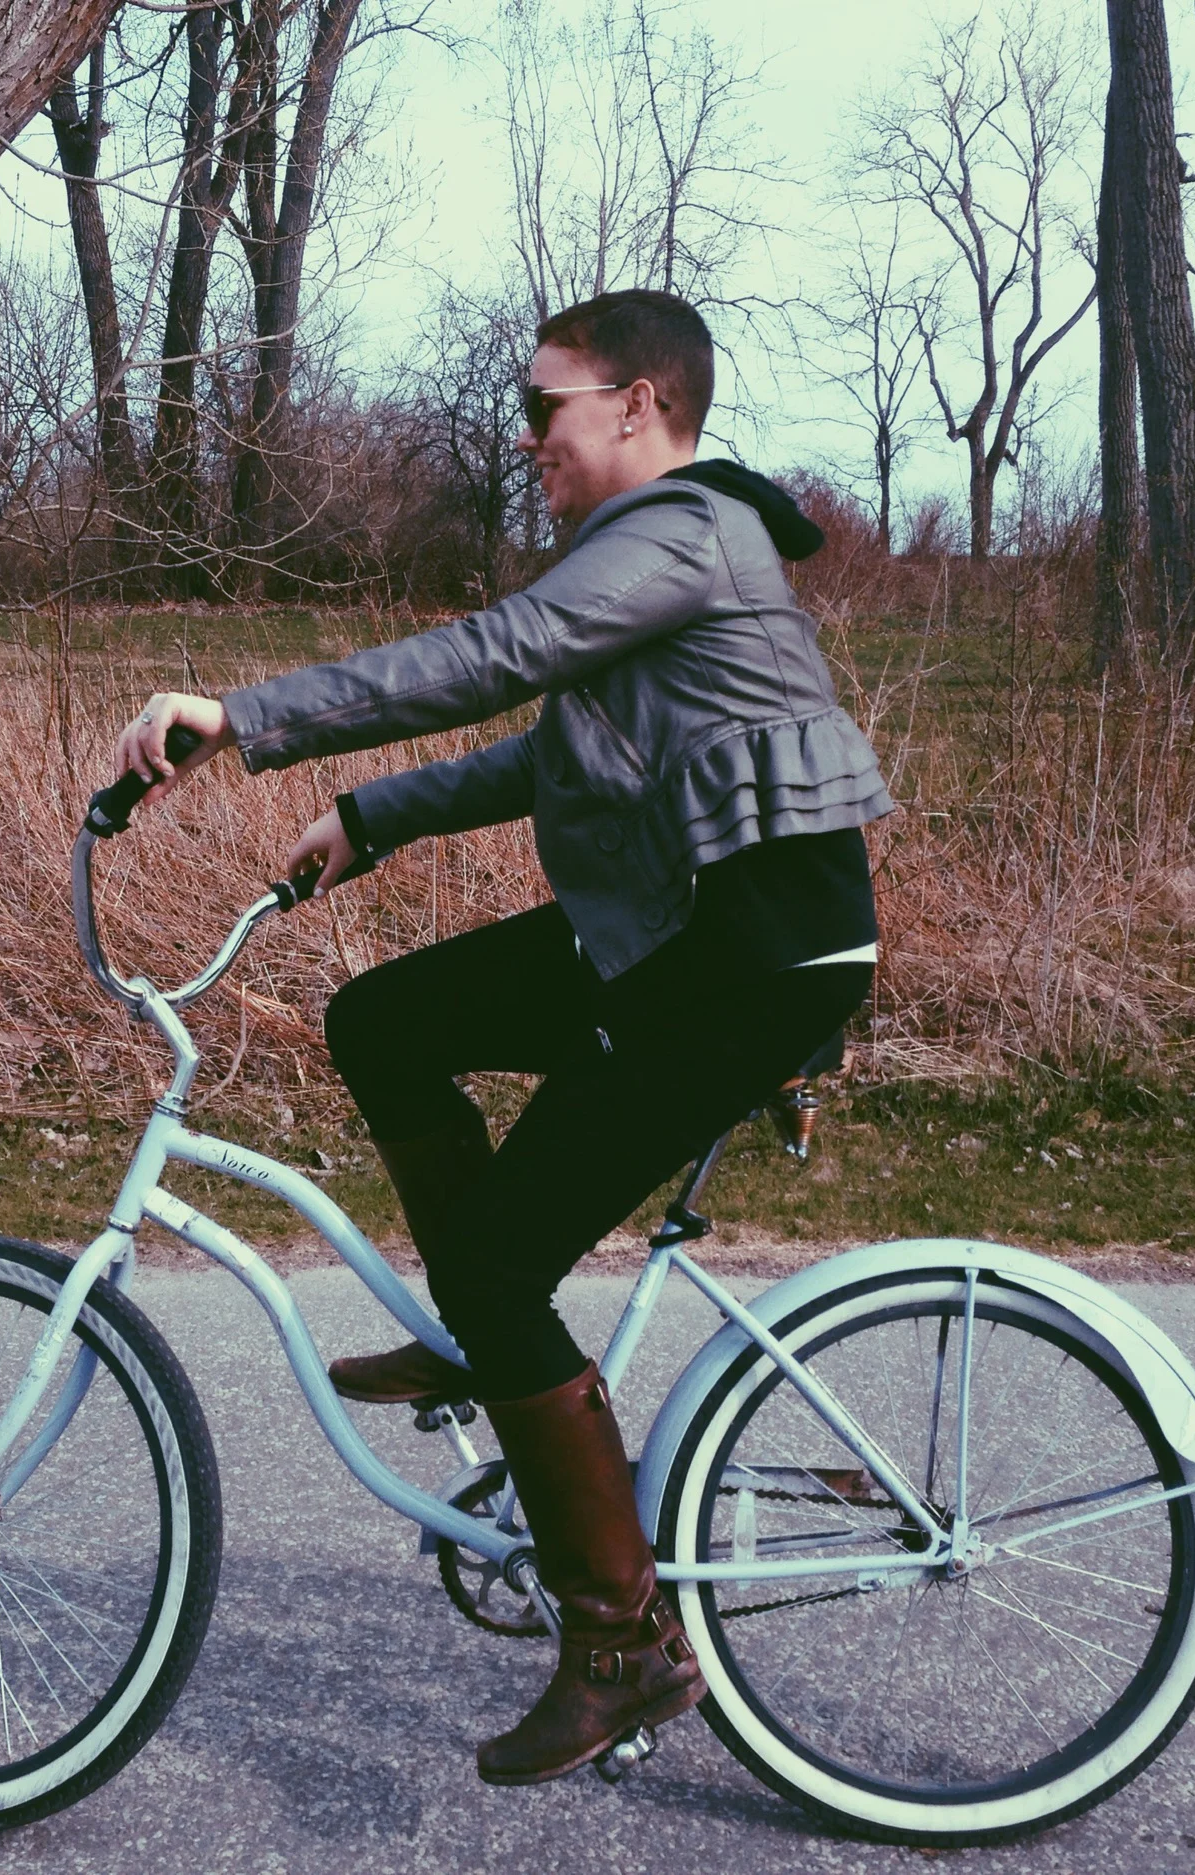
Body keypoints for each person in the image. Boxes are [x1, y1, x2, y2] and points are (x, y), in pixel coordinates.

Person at [112, 289, 892, 1785]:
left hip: (750, 954)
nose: (525, 436)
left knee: (493, 1256)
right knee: (384, 1019)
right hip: (675, 928)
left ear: (639, 405)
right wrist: (373, 816)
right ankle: (488, 1343)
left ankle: (619, 1640)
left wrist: (242, 716)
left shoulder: (682, 532)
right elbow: (561, 748)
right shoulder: (654, 557)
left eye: (545, 407)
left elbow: (499, 654)